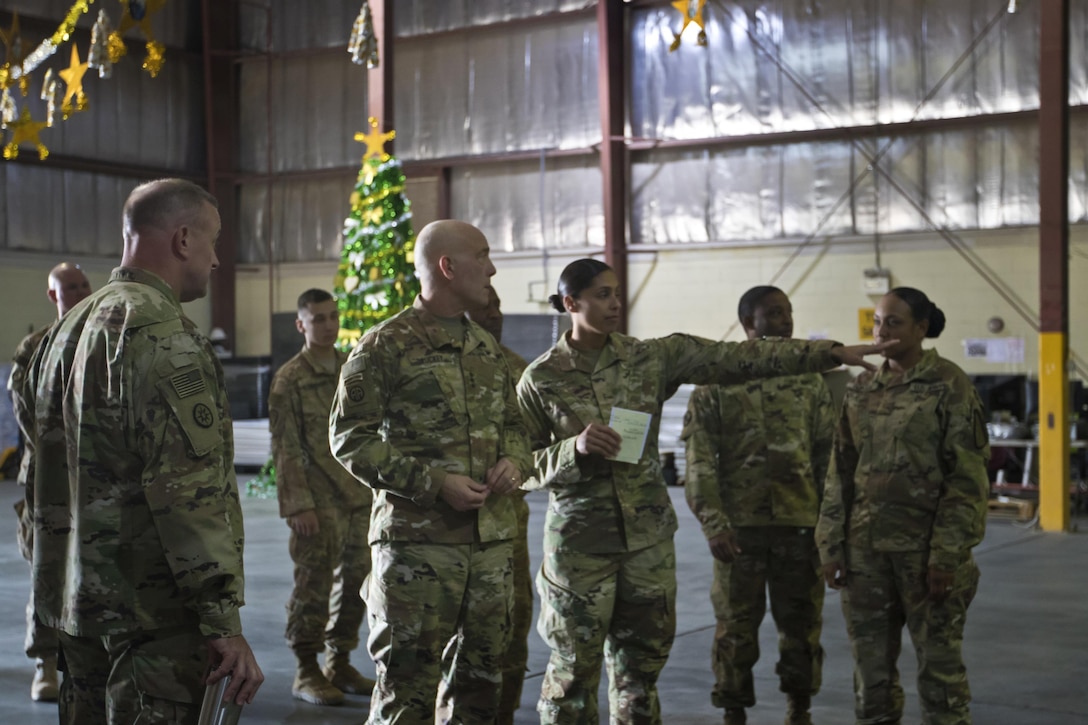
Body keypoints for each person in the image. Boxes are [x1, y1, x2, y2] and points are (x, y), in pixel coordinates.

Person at [515, 258, 893, 724]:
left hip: (647, 546)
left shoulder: (650, 357)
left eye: (617, 292)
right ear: (571, 303)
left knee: (640, 674)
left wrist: (829, 353)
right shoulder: (540, 379)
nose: (615, 303)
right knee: (572, 673)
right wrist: (573, 448)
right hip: (580, 547)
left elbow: (738, 359)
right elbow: (520, 466)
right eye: (602, 295)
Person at [27, 178, 264, 723]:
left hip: (75, 610)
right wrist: (222, 620)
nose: (217, 259)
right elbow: (189, 494)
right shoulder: (166, 339)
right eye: (213, 241)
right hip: (150, 624)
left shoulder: (65, 332)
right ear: (183, 239)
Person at [329, 219, 532, 724]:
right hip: (417, 553)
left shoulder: (486, 349)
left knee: (480, 696)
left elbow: (516, 428)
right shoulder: (384, 345)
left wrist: (515, 461)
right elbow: (349, 439)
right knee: (407, 699)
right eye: (482, 256)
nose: (492, 269)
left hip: (489, 552)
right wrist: (434, 483)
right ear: (448, 266)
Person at [815, 287, 989, 724]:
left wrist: (946, 555)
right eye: (876, 322)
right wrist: (831, 544)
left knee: (940, 672)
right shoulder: (862, 388)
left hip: (925, 555)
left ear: (921, 329)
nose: (881, 331)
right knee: (870, 672)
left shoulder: (949, 385)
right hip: (865, 554)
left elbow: (966, 478)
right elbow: (841, 470)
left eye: (893, 322)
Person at [682, 286, 834, 725]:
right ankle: (733, 710)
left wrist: (829, 525)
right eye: (774, 313)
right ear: (749, 323)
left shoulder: (808, 381)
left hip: (801, 525)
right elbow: (699, 460)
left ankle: (799, 707)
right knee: (735, 629)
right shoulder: (717, 382)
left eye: (787, 312)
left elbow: (827, 456)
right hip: (739, 531)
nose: (785, 321)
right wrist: (713, 523)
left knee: (802, 626)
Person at [270, 288, 375, 706]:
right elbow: (286, 447)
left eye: (333, 317)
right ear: (301, 324)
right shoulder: (290, 380)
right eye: (318, 319)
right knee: (313, 586)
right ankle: (306, 669)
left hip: (356, 496)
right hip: (316, 502)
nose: (328, 325)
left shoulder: (351, 370)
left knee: (356, 583)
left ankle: (340, 661)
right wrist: (298, 505)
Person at [6, 262, 92, 702]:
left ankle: (89, 663)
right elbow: (29, 416)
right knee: (49, 570)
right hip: (50, 481)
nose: (77, 293)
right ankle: (46, 662)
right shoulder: (33, 349)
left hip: (102, 483)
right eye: (67, 288)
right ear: (51, 295)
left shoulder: (108, 338)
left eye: (82, 285)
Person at [465, 285, 531, 724]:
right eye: (485, 307)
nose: (495, 314)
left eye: (499, 307)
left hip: (508, 528)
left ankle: (503, 715)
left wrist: (518, 463)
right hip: (440, 528)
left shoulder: (517, 368)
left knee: (512, 630)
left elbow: (532, 440)